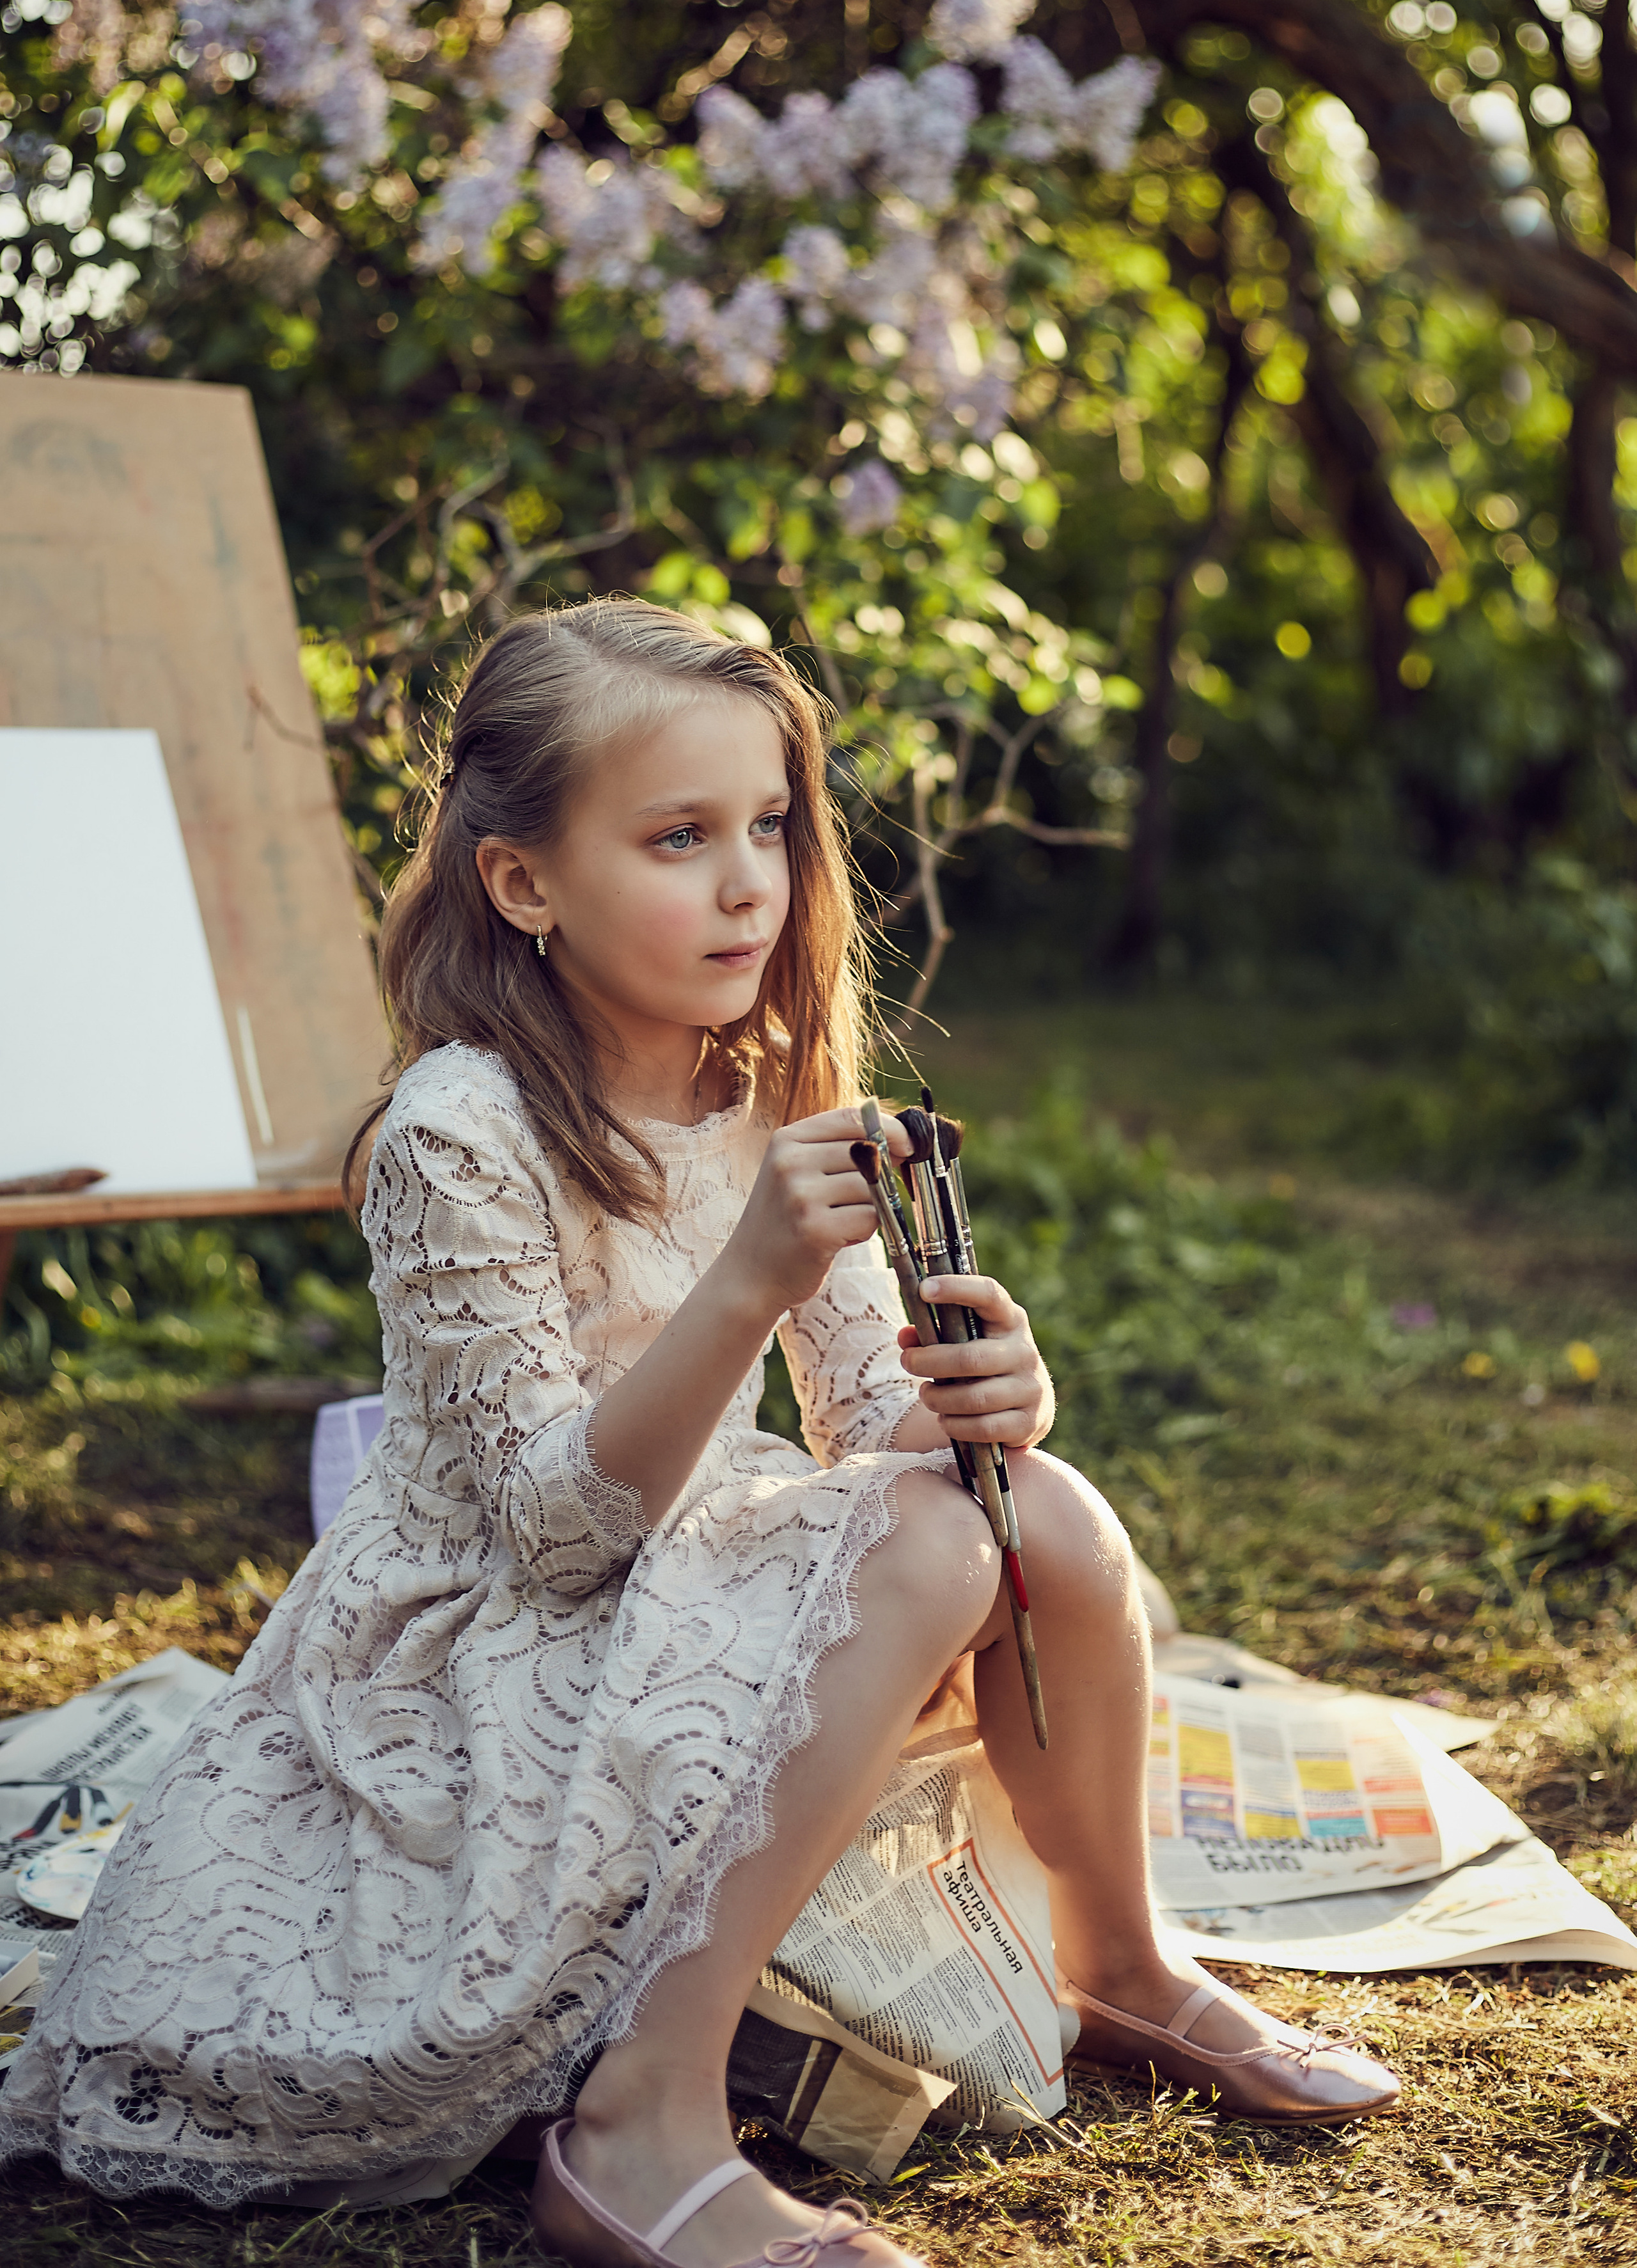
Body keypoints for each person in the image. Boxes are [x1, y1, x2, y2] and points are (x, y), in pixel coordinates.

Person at [0, 602, 1397, 2259]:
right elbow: (551, 1529)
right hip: (488, 1645)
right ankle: (637, 2121)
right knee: (944, 1530)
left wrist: (984, 1398)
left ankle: (1118, 1957)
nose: (750, 883)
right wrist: (743, 1278)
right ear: (524, 883)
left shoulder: (766, 1084)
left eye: (772, 828)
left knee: (1043, 1507)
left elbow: (871, 1416)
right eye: (679, 838)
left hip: (675, 1575)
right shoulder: (462, 1130)